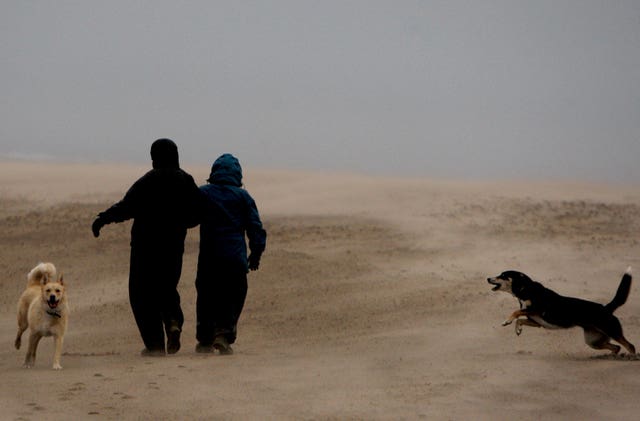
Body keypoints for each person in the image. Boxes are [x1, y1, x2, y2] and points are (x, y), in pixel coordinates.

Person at [91, 138, 202, 356]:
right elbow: (197, 213)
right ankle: (172, 321)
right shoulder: (185, 180)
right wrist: (180, 223)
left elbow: (126, 207)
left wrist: (103, 219)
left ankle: (155, 346)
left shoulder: (147, 181)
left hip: (145, 247)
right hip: (173, 246)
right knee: (166, 287)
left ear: (155, 158)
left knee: (141, 294)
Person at [195, 153, 266, 354]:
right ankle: (224, 334)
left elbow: (189, 216)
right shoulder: (243, 197)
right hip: (235, 258)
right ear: (238, 176)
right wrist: (255, 254)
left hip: (209, 258)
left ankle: (205, 339)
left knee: (207, 296)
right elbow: (255, 228)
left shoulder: (203, 193)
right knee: (233, 296)